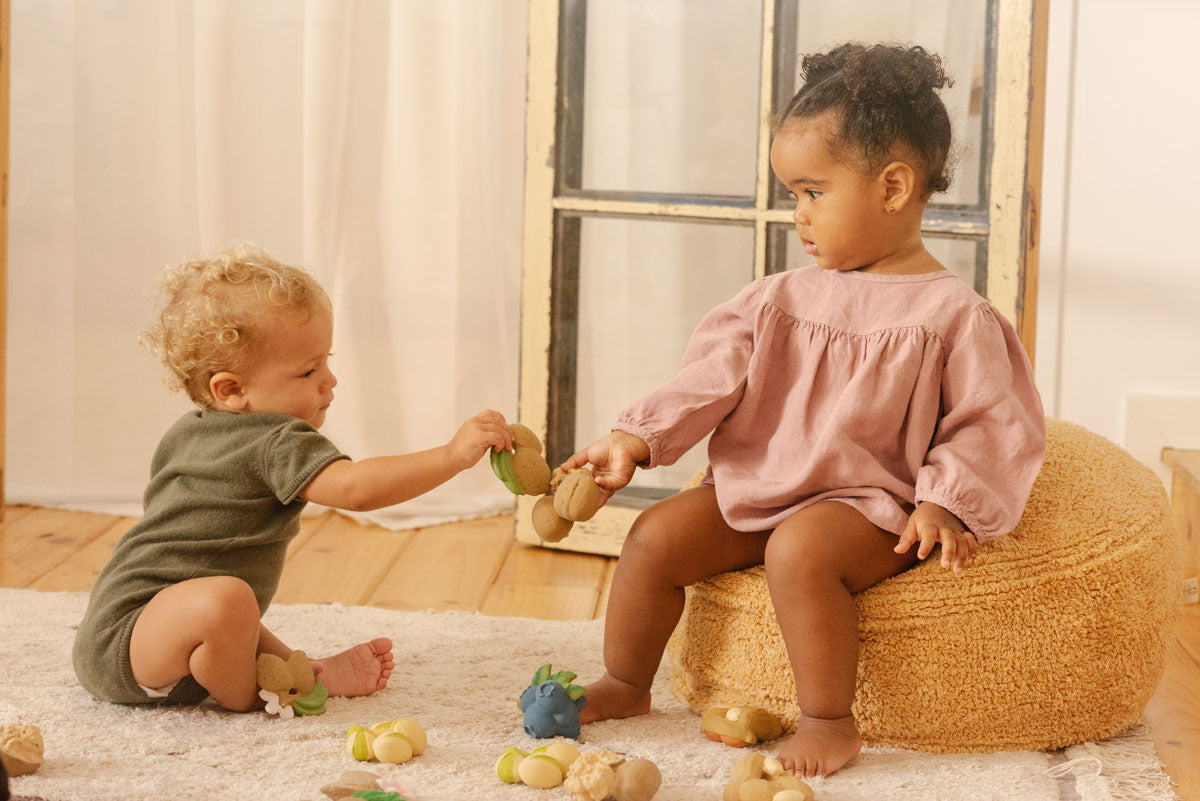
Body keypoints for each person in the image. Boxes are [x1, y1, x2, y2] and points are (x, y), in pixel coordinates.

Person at [561, 43, 1046, 778]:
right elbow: (708, 377)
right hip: (761, 482)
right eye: (793, 195)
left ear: (891, 187)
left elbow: (991, 421)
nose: (799, 215)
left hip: (864, 503)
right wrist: (637, 434)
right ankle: (627, 681)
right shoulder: (777, 298)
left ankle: (829, 720)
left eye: (814, 192)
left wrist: (946, 501)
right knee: (655, 537)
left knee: (800, 551)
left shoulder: (952, 313)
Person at [72, 244, 514, 712]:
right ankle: (266, 696)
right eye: (308, 370)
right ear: (232, 390)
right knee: (228, 599)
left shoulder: (188, 431)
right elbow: (354, 488)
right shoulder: (275, 440)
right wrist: (451, 455)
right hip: (128, 641)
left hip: (130, 625)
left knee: (228, 603)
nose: (331, 380)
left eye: (326, 360)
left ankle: (303, 671)